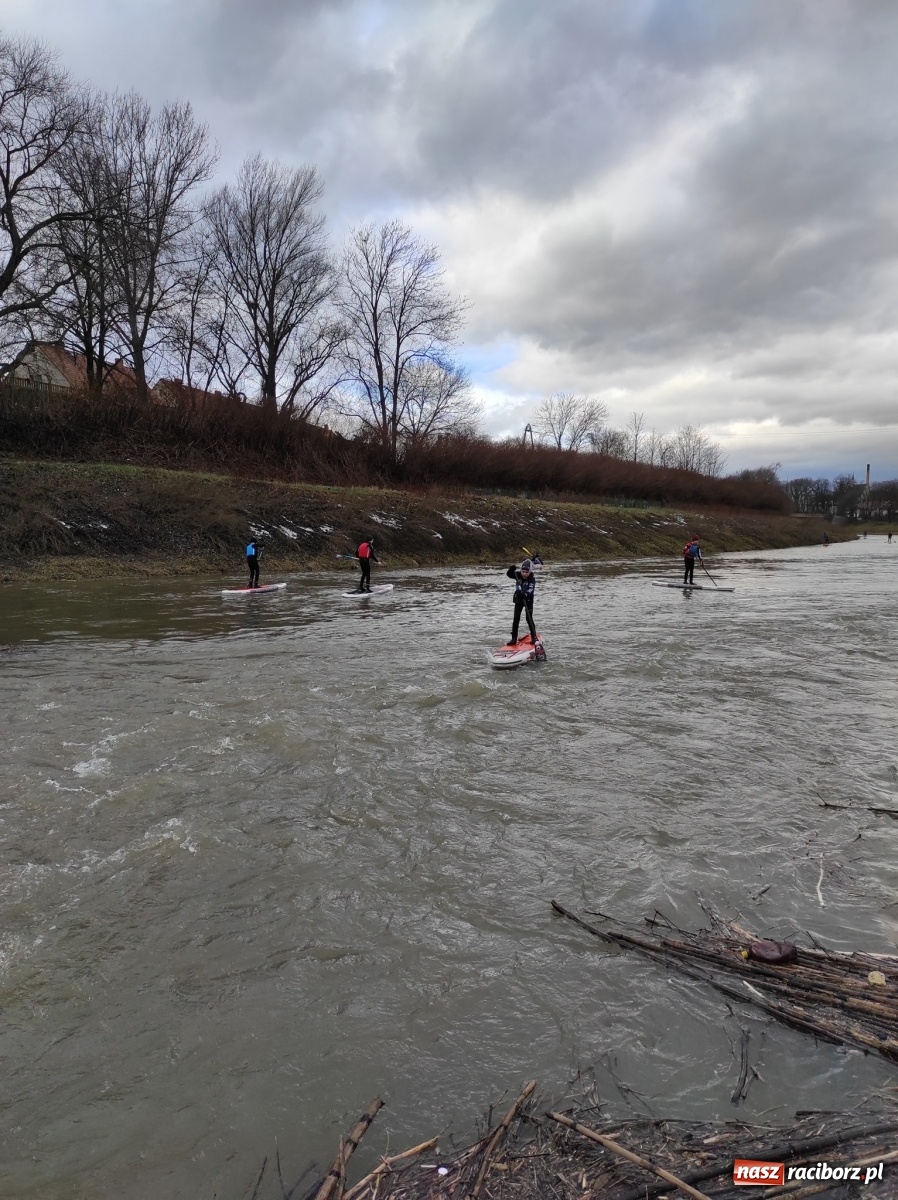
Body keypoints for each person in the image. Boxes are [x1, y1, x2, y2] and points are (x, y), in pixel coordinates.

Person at [506, 559, 538, 645]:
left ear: (530, 572)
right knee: (516, 619)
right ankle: (513, 638)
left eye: (526, 572)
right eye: (523, 571)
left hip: (528, 600)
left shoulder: (532, 579)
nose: (524, 574)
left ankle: (534, 637)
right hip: (519, 600)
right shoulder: (518, 575)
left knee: (529, 618)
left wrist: (525, 594)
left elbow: (531, 590)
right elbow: (509, 574)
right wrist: (511, 569)